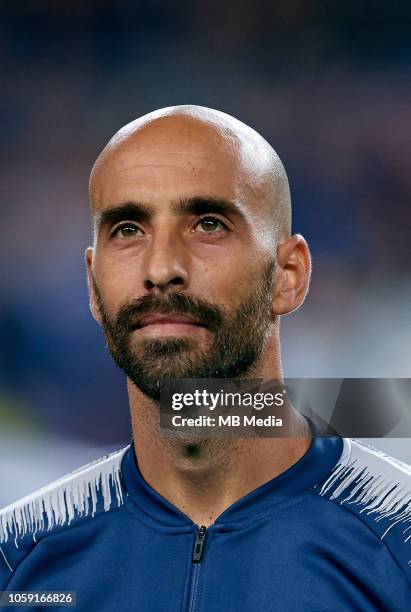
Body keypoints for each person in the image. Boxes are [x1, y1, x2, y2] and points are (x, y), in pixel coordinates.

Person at [0, 106, 410, 611]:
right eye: (128, 229)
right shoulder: (19, 560)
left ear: (289, 275)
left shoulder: (399, 539)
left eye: (209, 224)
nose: (162, 268)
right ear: (91, 283)